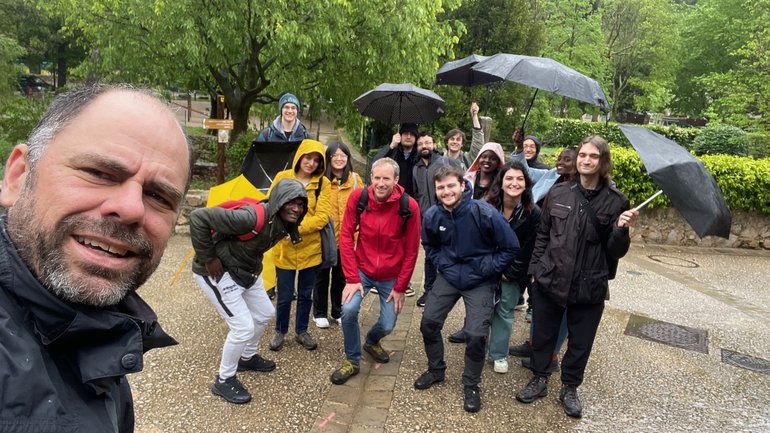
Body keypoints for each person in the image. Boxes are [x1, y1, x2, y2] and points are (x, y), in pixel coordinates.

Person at [0, 84, 192, 431]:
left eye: (159, 196)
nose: (131, 208)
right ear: (18, 176)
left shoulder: (102, 325)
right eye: (99, 173)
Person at [515, 135, 639, 418]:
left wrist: (621, 230)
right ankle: (539, 378)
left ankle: (569, 387)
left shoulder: (617, 201)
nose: (586, 160)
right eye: (583, 155)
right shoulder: (559, 192)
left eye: (593, 156)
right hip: (551, 278)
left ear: (603, 161)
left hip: (590, 284)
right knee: (543, 336)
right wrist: (534, 272)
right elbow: (543, 235)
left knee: (581, 342)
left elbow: (616, 251)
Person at [190, 179, 308, 404]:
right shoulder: (250, 218)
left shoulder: (283, 221)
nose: (296, 208)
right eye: (291, 202)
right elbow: (198, 217)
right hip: (217, 273)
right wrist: (208, 258)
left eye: (301, 204)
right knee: (243, 327)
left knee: (265, 313)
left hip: (247, 272)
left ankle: (246, 357)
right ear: (279, 201)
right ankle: (224, 379)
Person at [416, 164, 519, 413]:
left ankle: (471, 384)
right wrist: (444, 264)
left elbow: (511, 247)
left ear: (463, 185)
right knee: (428, 323)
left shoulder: (483, 212)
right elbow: (429, 245)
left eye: (451, 185)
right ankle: (436, 369)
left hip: (480, 279)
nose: (446, 191)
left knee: (475, 335)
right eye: (441, 187)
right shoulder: (432, 215)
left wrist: (488, 267)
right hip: (450, 276)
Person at [329, 158, 421, 385]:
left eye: (386, 178)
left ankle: (371, 341)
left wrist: (400, 287)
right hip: (362, 270)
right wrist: (352, 277)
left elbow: (412, 251)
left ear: (396, 180)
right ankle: (352, 360)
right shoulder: (358, 198)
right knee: (348, 310)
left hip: (391, 275)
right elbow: (346, 236)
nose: (380, 183)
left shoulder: (409, 206)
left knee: (388, 324)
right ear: (371, 177)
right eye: (377, 177)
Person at [267, 139, 331, 352]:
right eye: (308, 157)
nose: (311, 163)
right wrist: (281, 229)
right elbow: (270, 205)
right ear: (299, 156)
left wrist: (294, 229)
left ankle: (302, 331)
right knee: (284, 296)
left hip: (310, 248)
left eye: (316, 160)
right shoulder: (282, 177)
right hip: (284, 248)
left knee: (305, 294)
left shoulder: (322, 183)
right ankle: (280, 330)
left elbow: (322, 217)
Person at [484, 161, 541, 374]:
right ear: (501, 182)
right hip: (487, 268)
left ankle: (498, 353)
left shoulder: (533, 213)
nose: (514, 183)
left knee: (504, 310)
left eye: (519, 179)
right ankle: (478, 346)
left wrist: (510, 272)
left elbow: (529, 248)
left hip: (513, 273)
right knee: (481, 307)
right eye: (509, 178)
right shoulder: (487, 206)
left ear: (526, 184)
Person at [312, 142, 364, 328]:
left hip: (347, 238)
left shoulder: (355, 180)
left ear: (348, 158)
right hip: (325, 237)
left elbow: (363, 206)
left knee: (341, 277)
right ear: (329, 158)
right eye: (335, 155)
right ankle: (319, 313)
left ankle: (337, 311)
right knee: (321, 276)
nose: (339, 159)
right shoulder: (320, 181)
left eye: (343, 155)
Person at [370, 122, 421, 297]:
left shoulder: (419, 155)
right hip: (391, 203)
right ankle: (382, 277)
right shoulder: (393, 153)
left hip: (411, 205)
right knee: (387, 240)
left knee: (408, 244)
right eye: (405, 133)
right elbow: (374, 163)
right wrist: (390, 146)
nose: (408, 136)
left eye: (412, 134)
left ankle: (404, 281)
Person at [411, 132, 461, 308]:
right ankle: (429, 290)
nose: (424, 146)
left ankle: (449, 290)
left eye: (427, 142)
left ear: (434, 144)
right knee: (430, 255)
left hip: (446, 215)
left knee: (449, 251)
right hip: (426, 218)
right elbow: (417, 194)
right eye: (420, 144)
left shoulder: (444, 162)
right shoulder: (416, 168)